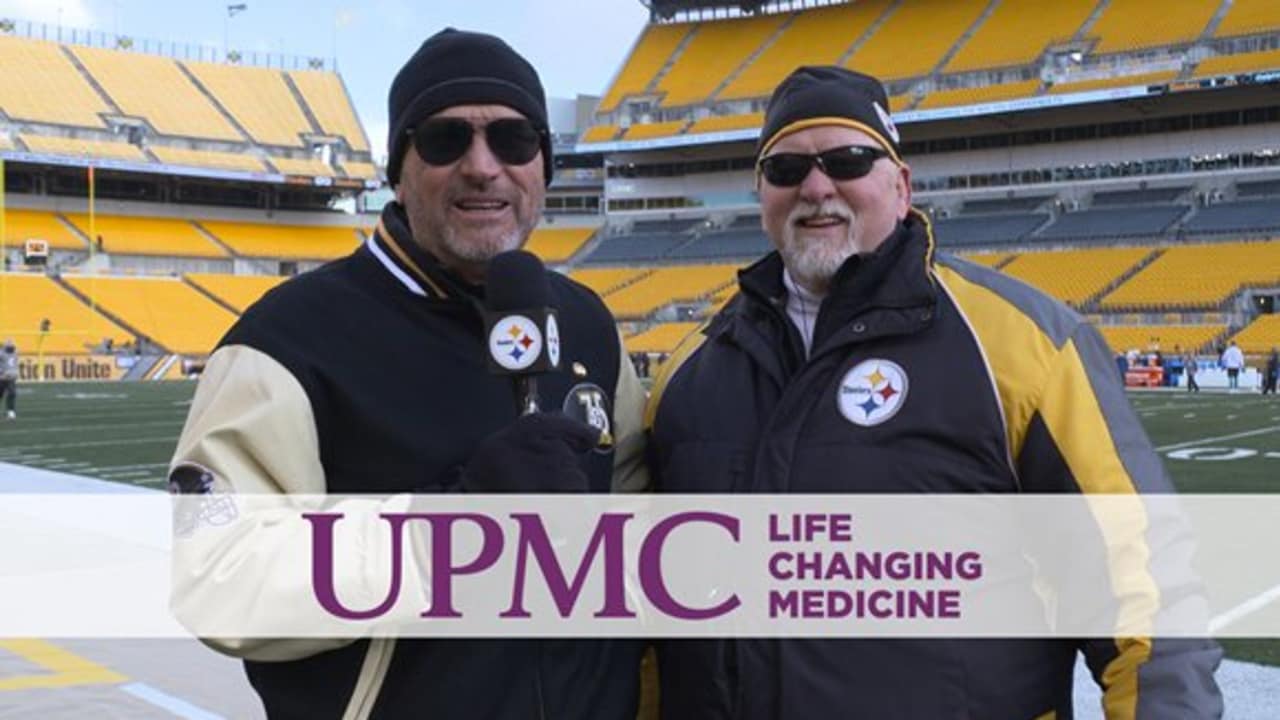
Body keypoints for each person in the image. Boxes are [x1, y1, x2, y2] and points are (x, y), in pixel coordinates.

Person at [645, 66, 1222, 719]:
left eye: (848, 160)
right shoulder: (687, 374)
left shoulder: (1021, 344)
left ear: (901, 185)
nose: (814, 186)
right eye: (785, 169)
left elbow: (1144, 595)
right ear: (760, 193)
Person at [168, 28, 647, 719]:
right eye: (446, 139)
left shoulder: (587, 323)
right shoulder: (288, 339)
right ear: (398, 167)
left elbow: (636, 521)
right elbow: (217, 576)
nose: (483, 166)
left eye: (514, 141)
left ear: (544, 164)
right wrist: (443, 531)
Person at [0, 340, 17, 419]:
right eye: (10, 346)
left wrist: (14, 373)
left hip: (11, 377)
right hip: (2, 377)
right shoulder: (1, 353)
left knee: (12, 393)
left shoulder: (15, 353)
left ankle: (11, 411)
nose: (11, 348)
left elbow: (13, 365)